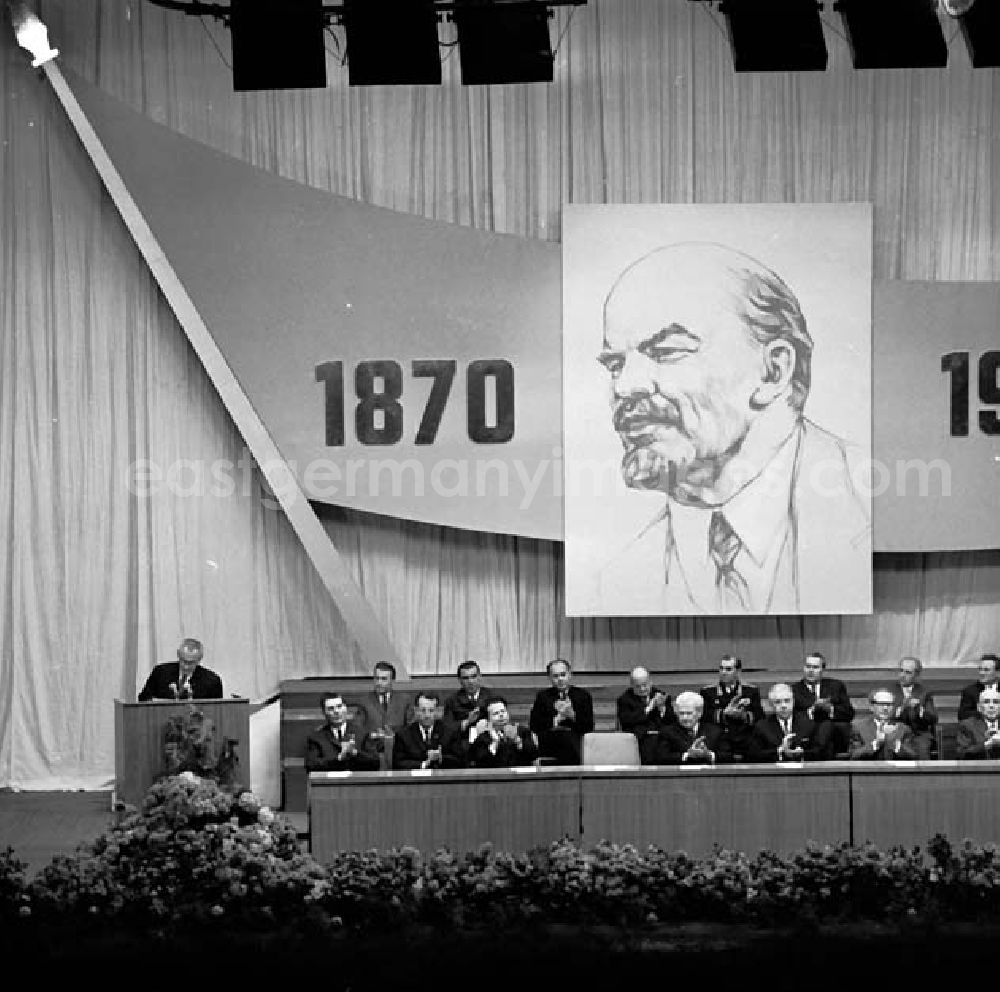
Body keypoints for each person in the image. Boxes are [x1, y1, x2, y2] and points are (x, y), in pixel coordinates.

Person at [593, 242, 870, 616]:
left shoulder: (872, 505)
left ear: (774, 371)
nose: (625, 386)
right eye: (615, 364)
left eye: (666, 352)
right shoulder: (614, 578)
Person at [528, 659, 595, 766]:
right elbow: (534, 725)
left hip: (576, 739)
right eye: (555, 676)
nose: (560, 679)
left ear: (570, 675)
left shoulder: (583, 696)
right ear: (549, 678)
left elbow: (589, 726)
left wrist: (572, 715)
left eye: (563, 675)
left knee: (569, 739)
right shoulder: (543, 697)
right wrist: (557, 719)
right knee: (563, 738)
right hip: (550, 739)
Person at [699, 654, 763, 761]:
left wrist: (743, 716)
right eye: (721, 668)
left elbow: (759, 716)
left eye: (728, 669)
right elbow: (705, 717)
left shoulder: (751, 691)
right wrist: (724, 714)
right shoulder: (708, 692)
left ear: (738, 671)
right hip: (719, 739)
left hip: (745, 739)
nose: (723, 672)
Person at [791, 652, 854, 757]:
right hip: (807, 732)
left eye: (815, 667)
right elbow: (793, 716)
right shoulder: (794, 690)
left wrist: (830, 709)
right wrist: (812, 709)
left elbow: (849, 713)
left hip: (835, 735)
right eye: (808, 667)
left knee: (830, 727)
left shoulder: (836, 686)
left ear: (822, 670)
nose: (811, 671)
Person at [747, 682, 826, 763]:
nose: (783, 706)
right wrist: (779, 751)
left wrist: (801, 753)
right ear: (771, 704)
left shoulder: (808, 724)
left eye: (787, 701)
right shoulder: (762, 727)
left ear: (793, 701)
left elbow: (818, 751)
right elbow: (754, 755)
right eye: (778, 702)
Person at [356, 660, 414, 765]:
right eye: (377, 678)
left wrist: (393, 736)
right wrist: (373, 735)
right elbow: (358, 729)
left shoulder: (404, 700)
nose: (379, 683)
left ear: (392, 680)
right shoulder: (364, 701)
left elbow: (411, 729)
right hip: (373, 753)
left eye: (384, 679)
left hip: (398, 751)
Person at [305, 692, 379, 772]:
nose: (336, 711)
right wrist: (338, 759)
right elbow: (311, 765)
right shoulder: (316, 738)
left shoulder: (362, 733)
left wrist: (355, 753)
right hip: (329, 783)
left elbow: (375, 762)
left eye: (339, 707)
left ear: (346, 708)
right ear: (324, 712)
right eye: (331, 708)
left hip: (357, 782)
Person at [616, 666, 675, 764]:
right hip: (639, 740)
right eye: (638, 686)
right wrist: (648, 709)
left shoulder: (661, 696)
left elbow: (671, 721)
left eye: (645, 685)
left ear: (650, 682)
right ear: (631, 685)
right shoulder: (624, 700)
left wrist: (662, 709)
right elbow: (626, 721)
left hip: (661, 738)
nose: (642, 689)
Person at [652, 691, 730, 765]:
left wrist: (709, 754)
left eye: (689, 713)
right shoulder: (667, 732)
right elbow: (661, 757)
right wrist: (687, 755)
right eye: (681, 713)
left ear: (699, 713)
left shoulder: (715, 731)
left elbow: (728, 756)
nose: (685, 718)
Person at [391, 692, 462, 770]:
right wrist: (423, 765)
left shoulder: (450, 732)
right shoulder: (403, 735)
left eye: (431, 710)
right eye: (423, 710)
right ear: (416, 710)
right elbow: (398, 763)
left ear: (437, 711)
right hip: (414, 780)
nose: (427, 715)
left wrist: (441, 757)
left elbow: (459, 760)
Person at [138, 637, 223, 701]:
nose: (186, 666)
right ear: (178, 654)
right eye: (183, 660)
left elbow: (216, 710)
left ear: (199, 659)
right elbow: (143, 699)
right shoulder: (160, 672)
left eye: (191, 663)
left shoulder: (212, 681)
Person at [888, 656, 938, 760]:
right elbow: (884, 716)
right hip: (896, 733)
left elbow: (933, 718)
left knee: (922, 749)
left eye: (908, 672)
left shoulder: (924, 692)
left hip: (918, 734)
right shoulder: (889, 691)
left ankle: (923, 775)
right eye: (901, 671)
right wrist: (901, 709)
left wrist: (919, 709)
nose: (902, 675)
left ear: (916, 675)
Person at [467, 696, 539, 768]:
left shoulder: (522, 731)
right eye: (496, 713)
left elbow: (533, 755)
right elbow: (480, 762)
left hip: (521, 776)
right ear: (488, 719)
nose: (501, 715)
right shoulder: (483, 738)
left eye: (503, 711)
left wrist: (517, 741)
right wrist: (495, 743)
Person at [849, 688, 916, 760]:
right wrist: (876, 744)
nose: (885, 708)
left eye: (889, 704)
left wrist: (895, 745)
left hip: (895, 770)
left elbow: (913, 755)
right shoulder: (859, 727)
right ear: (871, 707)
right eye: (881, 704)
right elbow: (854, 756)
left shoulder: (903, 729)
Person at [442, 660, 493, 746]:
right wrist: (467, 721)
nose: (470, 682)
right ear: (460, 680)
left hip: (488, 744)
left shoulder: (492, 697)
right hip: (461, 746)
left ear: (480, 677)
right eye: (466, 678)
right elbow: (447, 729)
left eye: (473, 677)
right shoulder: (452, 701)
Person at [957, 686, 1000, 760]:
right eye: (986, 702)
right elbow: (962, 753)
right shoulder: (967, 725)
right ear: (979, 707)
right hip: (979, 770)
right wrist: (987, 744)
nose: (991, 706)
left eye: (996, 702)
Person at [957, 653, 1000, 721]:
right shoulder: (970, 691)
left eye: (986, 670)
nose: (981, 673)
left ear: (998, 672)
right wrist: (984, 712)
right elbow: (962, 715)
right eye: (980, 669)